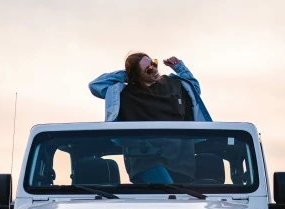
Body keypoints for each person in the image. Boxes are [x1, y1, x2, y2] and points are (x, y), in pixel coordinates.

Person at [89, 53, 212, 184]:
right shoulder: (125, 93)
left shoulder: (174, 84)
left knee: (177, 199)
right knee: (168, 195)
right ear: (136, 75)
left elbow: (194, 90)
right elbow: (95, 85)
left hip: (180, 158)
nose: (154, 70)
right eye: (147, 69)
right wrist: (129, 74)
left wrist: (180, 68)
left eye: (154, 64)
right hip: (146, 158)